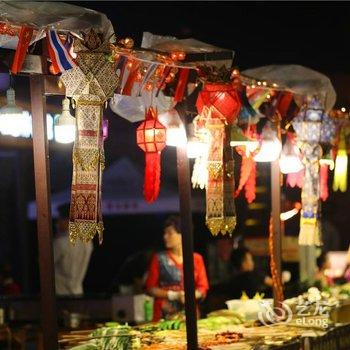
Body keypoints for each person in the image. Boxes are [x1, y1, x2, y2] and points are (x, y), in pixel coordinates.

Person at [145, 215, 209, 321]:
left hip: (190, 315)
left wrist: (189, 296)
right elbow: (150, 288)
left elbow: (203, 288)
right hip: (164, 315)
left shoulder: (197, 259)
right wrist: (174, 295)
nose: (165, 237)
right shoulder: (159, 258)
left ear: (182, 235)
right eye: (164, 233)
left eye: (170, 233)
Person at [53, 204, 93, 296]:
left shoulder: (60, 243)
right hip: (78, 294)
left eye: (59, 219)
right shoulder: (88, 242)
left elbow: (43, 264)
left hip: (60, 296)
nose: (57, 223)